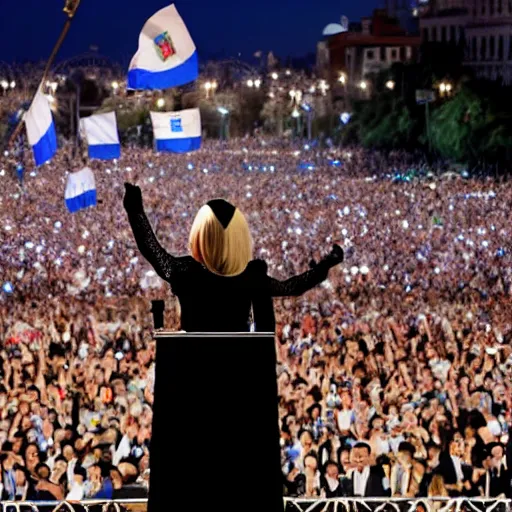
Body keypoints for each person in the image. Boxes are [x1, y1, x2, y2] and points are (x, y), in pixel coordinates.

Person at [123, 183, 344, 512]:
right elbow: (291, 286)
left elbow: (153, 252)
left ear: (201, 236)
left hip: (192, 375)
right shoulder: (249, 278)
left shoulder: (185, 272)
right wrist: (324, 266)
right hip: (240, 377)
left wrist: (136, 211)